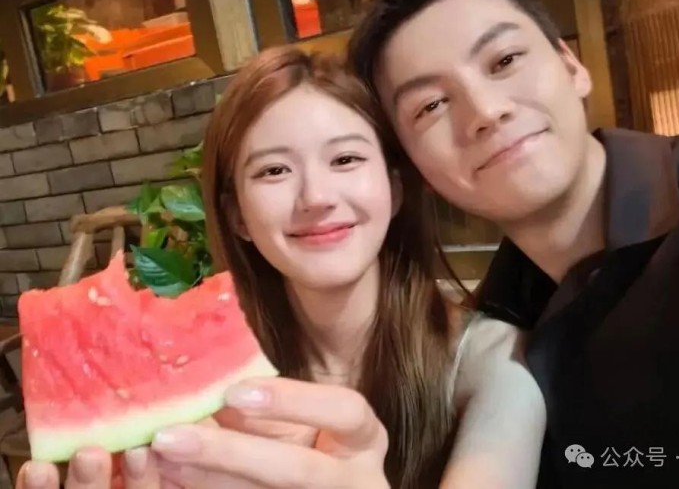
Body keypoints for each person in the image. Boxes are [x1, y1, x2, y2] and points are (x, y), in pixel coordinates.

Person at [343, 0, 679, 489]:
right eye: (431, 106)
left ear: (571, 66)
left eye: (504, 60)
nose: (486, 111)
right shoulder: (495, 345)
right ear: (414, 168)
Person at [16, 46, 545, 489]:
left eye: (345, 159)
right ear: (237, 217)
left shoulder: (497, 367)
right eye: (273, 170)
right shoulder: (204, 400)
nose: (316, 197)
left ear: (395, 188)